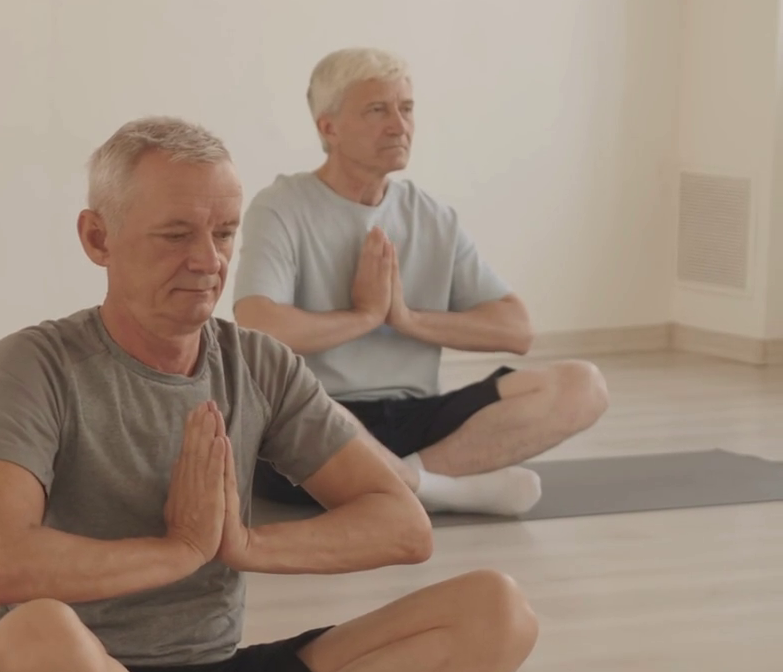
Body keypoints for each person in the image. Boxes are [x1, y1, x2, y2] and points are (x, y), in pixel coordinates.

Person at [0, 117, 537, 672]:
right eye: (175, 235)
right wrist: (176, 552)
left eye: (225, 233)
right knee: (29, 637)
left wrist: (246, 546)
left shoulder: (258, 364)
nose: (208, 260)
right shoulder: (34, 364)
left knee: (498, 610)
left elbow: (403, 525)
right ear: (98, 238)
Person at [234, 48, 608, 516]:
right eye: (377, 110)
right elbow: (259, 327)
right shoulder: (281, 207)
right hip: (318, 416)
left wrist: (405, 318)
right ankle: (436, 487)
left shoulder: (432, 216)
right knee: (303, 411)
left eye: (406, 108)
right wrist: (363, 317)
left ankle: (411, 484)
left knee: (583, 386)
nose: (399, 125)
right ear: (328, 128)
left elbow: (516, 330)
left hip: (416, 416)